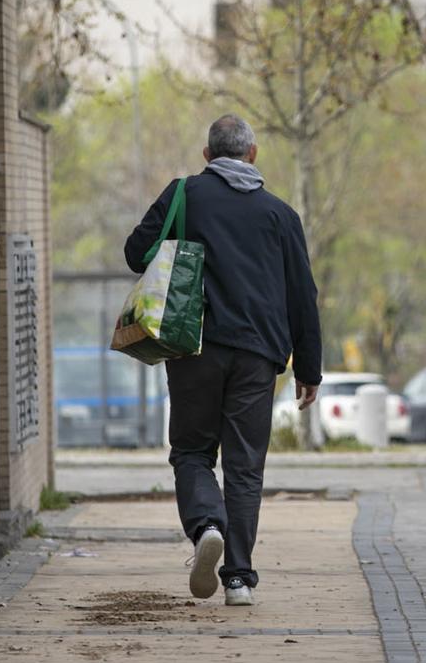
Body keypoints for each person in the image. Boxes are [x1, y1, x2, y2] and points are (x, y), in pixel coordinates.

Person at [124, 115, 322, 607]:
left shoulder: (183, 194)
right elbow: (303, 295)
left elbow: (135, 253)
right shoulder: (281, 215)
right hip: (259, 354)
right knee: (245, 465)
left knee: (192, 451)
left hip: (195, 346)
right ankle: (238, 579)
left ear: (207, 156)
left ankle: (206, 524)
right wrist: (309, 370)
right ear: (253, 154)